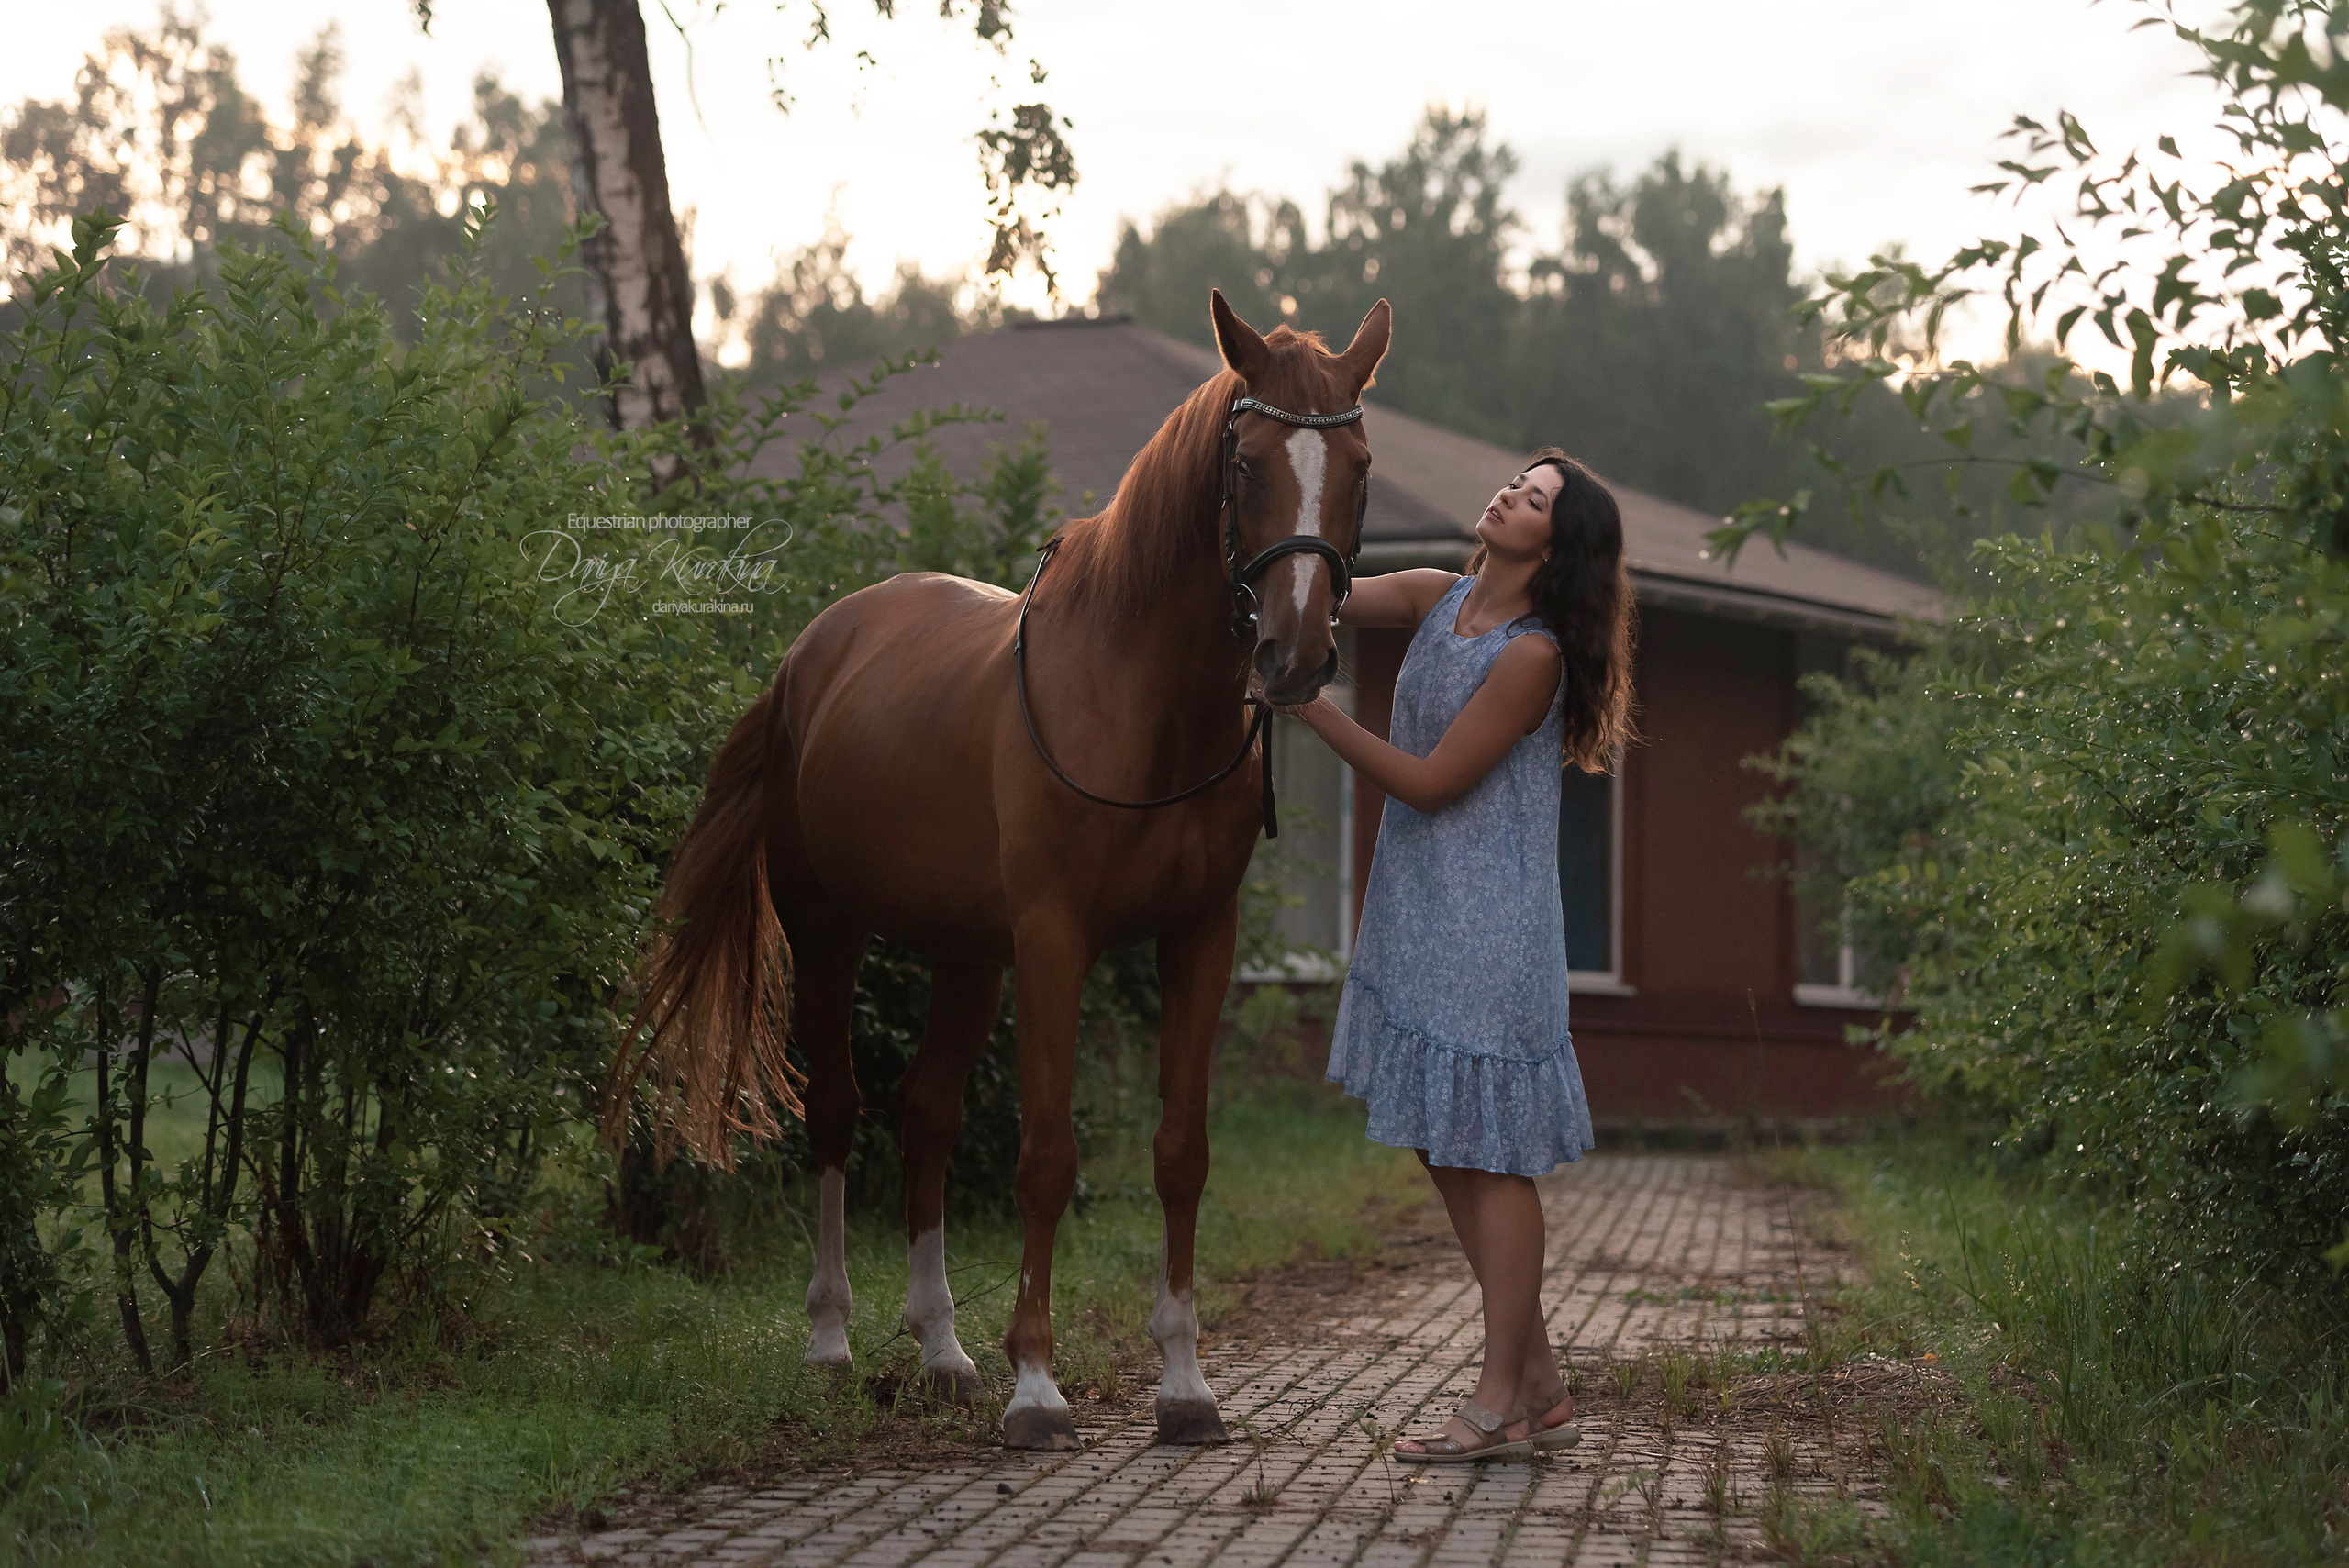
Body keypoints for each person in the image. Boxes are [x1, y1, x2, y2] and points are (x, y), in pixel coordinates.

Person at [1271, 447, 1637, 1463]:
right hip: (1420, 913)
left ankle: (1494, 1402)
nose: (1506, 495)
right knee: (1444, 1144)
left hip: (1491, 927)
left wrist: (1308, 708)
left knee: (1491, 1160)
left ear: (1556, 545)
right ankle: (1544, 1384)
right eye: (1512, 483)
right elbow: (1325, 589)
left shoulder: (1532, 655)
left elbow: (1431, 785)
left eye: (1532, 499)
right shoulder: (1440, 596)